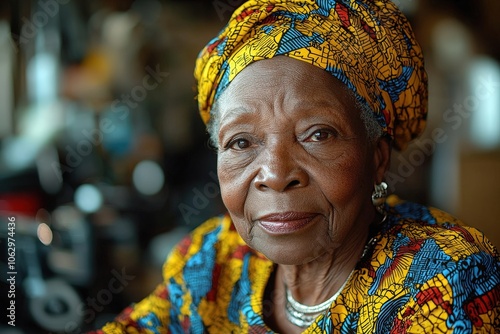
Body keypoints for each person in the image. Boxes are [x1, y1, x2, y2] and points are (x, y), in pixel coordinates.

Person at [91, 0, 500, 332]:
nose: (274, 173)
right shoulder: (214, 261)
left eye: (317, 134)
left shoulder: (443, 278)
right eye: (241, 142)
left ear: (377, 158)